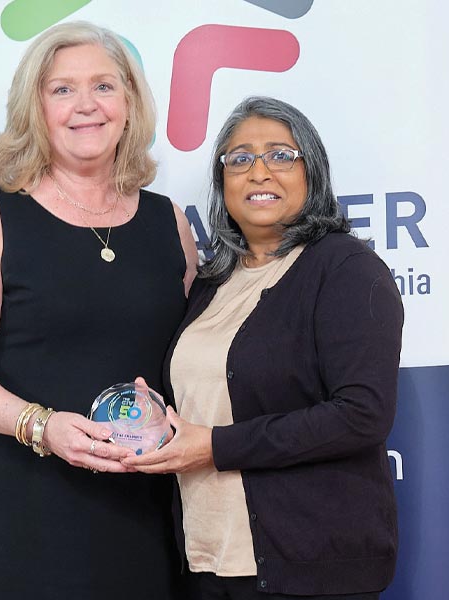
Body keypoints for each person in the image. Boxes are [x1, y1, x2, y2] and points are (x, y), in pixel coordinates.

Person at [0, 21, 198, 599]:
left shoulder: (167, 219)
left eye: (103, 86)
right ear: (35, 108)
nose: (86, 106)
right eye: (62, 90)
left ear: (129, 102)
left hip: (148, 511)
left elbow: (191, 358)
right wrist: (43, 427)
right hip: (32, 514)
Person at [124, 96, 404, 599]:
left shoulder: (345, 270)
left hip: (308, 568)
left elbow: (362, 414)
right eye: (240, 158)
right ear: (222, 182)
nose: (258, 172)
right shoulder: (213, 282)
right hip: (207, 560)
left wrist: (216, 446)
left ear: (311, 172)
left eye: (280, 154)